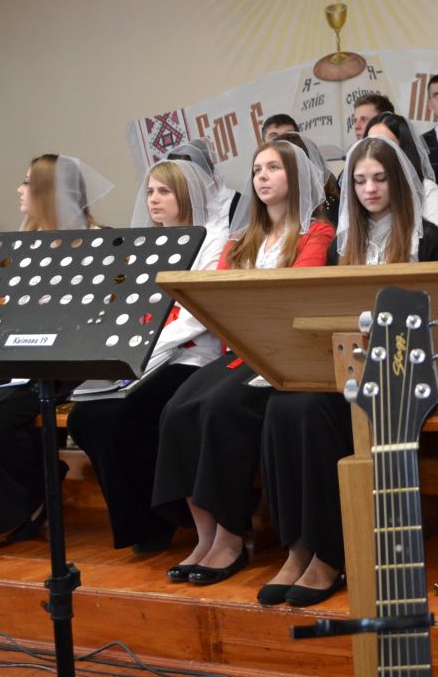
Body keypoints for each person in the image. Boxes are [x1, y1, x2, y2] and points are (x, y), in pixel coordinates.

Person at [257, 137, 438, 608]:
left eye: (380, 179)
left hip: (408, 371)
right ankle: (298, 545)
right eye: (360, 181)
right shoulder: (342, 244)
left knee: (311, 411)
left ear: (398, 182)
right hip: (351, 363)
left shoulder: (428, 239)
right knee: (282, 406)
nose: (369, 189)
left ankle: (330, 551)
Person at [152, 141, 335, 585]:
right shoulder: (242, 238)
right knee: (177, 410)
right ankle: (205, 536)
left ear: (296, 176)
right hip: (239, 350)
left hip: (280, 352)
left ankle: (231, 537)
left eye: (273, 168)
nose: (262, 177)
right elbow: (217, 298)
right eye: (257, 170)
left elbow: (293, 297)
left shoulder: (316, 233)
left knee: (220, 409)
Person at [0, 154, 112, 551]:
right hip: (25, 355)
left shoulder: (97, 240)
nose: (19, 189)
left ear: (49, 191)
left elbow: (94, 316)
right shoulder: (27, 242)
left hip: (72, 360)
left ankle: (34, 498)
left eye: (27, 182)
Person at [66, 159, 231, 554]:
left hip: (192, 356)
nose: (154, 200)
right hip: (149, 355)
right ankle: (144, 517)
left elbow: (196, 318)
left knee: (125, 415)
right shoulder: (151, 243)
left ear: (186, 195)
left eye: (164, 191)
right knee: (84, 417)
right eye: (151, 192)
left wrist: (141, 348)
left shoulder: (214, 239)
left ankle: (165, 515)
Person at [366, 111, 438, 226]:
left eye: (387, 143)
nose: (378, 150)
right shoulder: (362, 189)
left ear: (403, 147)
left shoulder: (427, 189)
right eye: (370, 143)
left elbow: (433, 235)